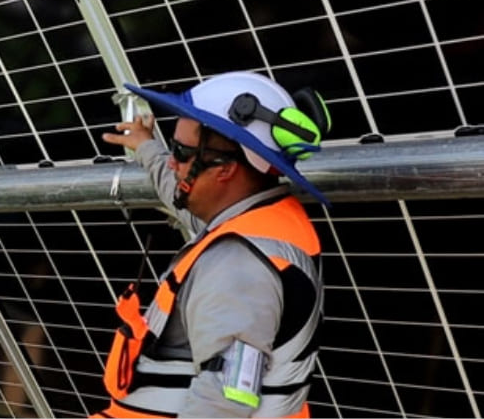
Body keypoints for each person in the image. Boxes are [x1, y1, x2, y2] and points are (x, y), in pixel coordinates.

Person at [96, 71, 331, 418]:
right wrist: (147, 147)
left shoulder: (239, 266)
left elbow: (227, 399)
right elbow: (177, 185)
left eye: (180, 151)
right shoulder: (252, 221)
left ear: (224, 170)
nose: (172, 162)